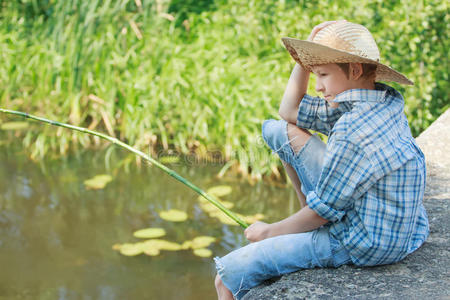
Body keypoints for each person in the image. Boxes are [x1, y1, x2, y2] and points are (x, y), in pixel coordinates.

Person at [214, 20, 429, 299]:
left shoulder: (353, 129)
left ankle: (304, 231)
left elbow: (323, 211)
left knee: (227, 277)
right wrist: (306, 60)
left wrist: (269, 232)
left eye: (323, 74)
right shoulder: (381, 99)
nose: (317, 86)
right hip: (398, 227)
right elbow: (288, 110)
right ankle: (302, 225)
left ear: (353, 69)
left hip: (362, 241)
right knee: (278, 130)